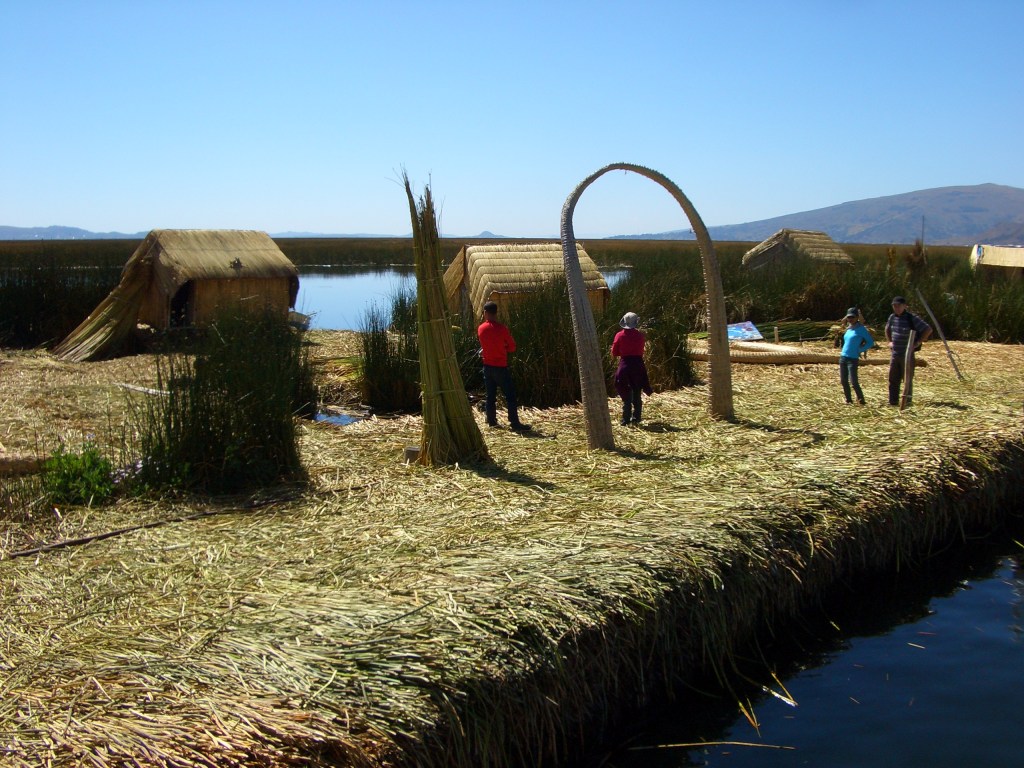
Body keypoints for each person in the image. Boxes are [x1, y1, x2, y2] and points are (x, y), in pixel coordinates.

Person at [477, 300, 530, 431]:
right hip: (500, 367)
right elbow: (512, 347)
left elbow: (486, 345)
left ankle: (491, 421)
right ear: (496, 313)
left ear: (485, 313)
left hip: (487, 367)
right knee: (510, 395)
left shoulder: (481, 328)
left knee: (490, 396)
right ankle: (514, 423)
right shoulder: (502, 329)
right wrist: (503, 346)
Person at [885, 295, 932, 407]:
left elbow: (928, 329)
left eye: (899, 306)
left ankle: (907, 402)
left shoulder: (911, 318)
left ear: (905, 306)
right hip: (895, 353)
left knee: (907, 379)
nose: (896, 308)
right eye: (894, 306)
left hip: (907, 354)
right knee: (893, 379)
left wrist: (917, 342)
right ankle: (893, 402)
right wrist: (889, 342)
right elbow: (887, 329)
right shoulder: (892, 317)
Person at [611, 312, 653, 425]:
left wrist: (624, 352)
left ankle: (625, 420)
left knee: (625, 392)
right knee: (637, 391)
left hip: (625, 365)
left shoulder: (619, 335)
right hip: (638, 365)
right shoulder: (640, 336)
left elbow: (614, 352)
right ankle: (637, 418)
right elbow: (641, 351)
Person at [838, 307, 874, 405]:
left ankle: (861, 401)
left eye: (852, 317)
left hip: (852, 359)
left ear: (857, 317)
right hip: (843, 357)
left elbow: (870, 342)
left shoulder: (861, 329)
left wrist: (859, 350)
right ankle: (848, 400)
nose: (850, 319)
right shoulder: (848, 329)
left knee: (853, 382)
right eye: (849, 317)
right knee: (844, 381)